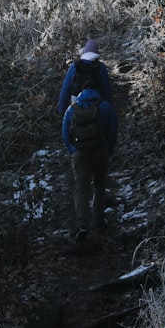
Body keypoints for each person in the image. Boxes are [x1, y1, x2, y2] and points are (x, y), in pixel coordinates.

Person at [61, 86, 118, 240]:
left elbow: (65, 134)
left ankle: (82, 225)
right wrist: (107, 149)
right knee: (99, 185)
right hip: (100, 151)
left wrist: (73, 151)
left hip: (79, 154)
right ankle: (99, 221)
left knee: (81, 188)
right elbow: (113, 131)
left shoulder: (71, 109)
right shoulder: (105, 107)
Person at [57, 39, 114, 116]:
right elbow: (106, 89)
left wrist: (62, 110)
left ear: (84, 52)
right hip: (96, 103)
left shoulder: (74, 66)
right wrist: (108, 108)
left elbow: (66, 89)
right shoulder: (101, 67)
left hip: (76, 103)